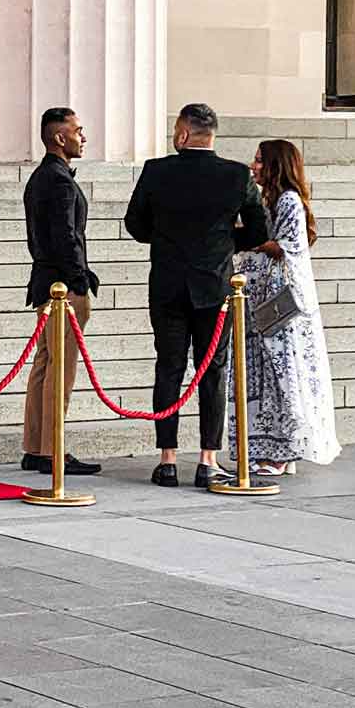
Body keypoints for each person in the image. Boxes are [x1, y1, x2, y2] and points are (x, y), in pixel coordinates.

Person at [125, 103, 268, 488]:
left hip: (169, 284)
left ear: (183, 133)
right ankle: (208, 458)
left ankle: (167, 459)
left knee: (168, 368)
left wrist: (170, 239)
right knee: (213, 371)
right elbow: (259, 230)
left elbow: (134, 224)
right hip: (214, 287)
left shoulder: (157, 171)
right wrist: (223, 241)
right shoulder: (236, 175)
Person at [233, 140, 340, 474]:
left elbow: (287, 248)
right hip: (259, 302)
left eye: (260, 161)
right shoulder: (267, 200)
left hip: (280, 308)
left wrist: (238, 237)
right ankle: (269, 449)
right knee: (263, 378)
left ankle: (281, 452)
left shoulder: (289, 201)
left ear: (277, 165)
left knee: (282, 376)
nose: (254, 166)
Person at [21, 108, 102, 477]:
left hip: (44, 282)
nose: (82, 137)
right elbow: (66, 237)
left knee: (44, 364)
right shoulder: (58, 181)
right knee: (61, 369)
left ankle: (36, 447)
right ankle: (53, 449)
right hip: (62, 288)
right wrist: (80, 281)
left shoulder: (41, 177)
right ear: (59, 138)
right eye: (78, 131)